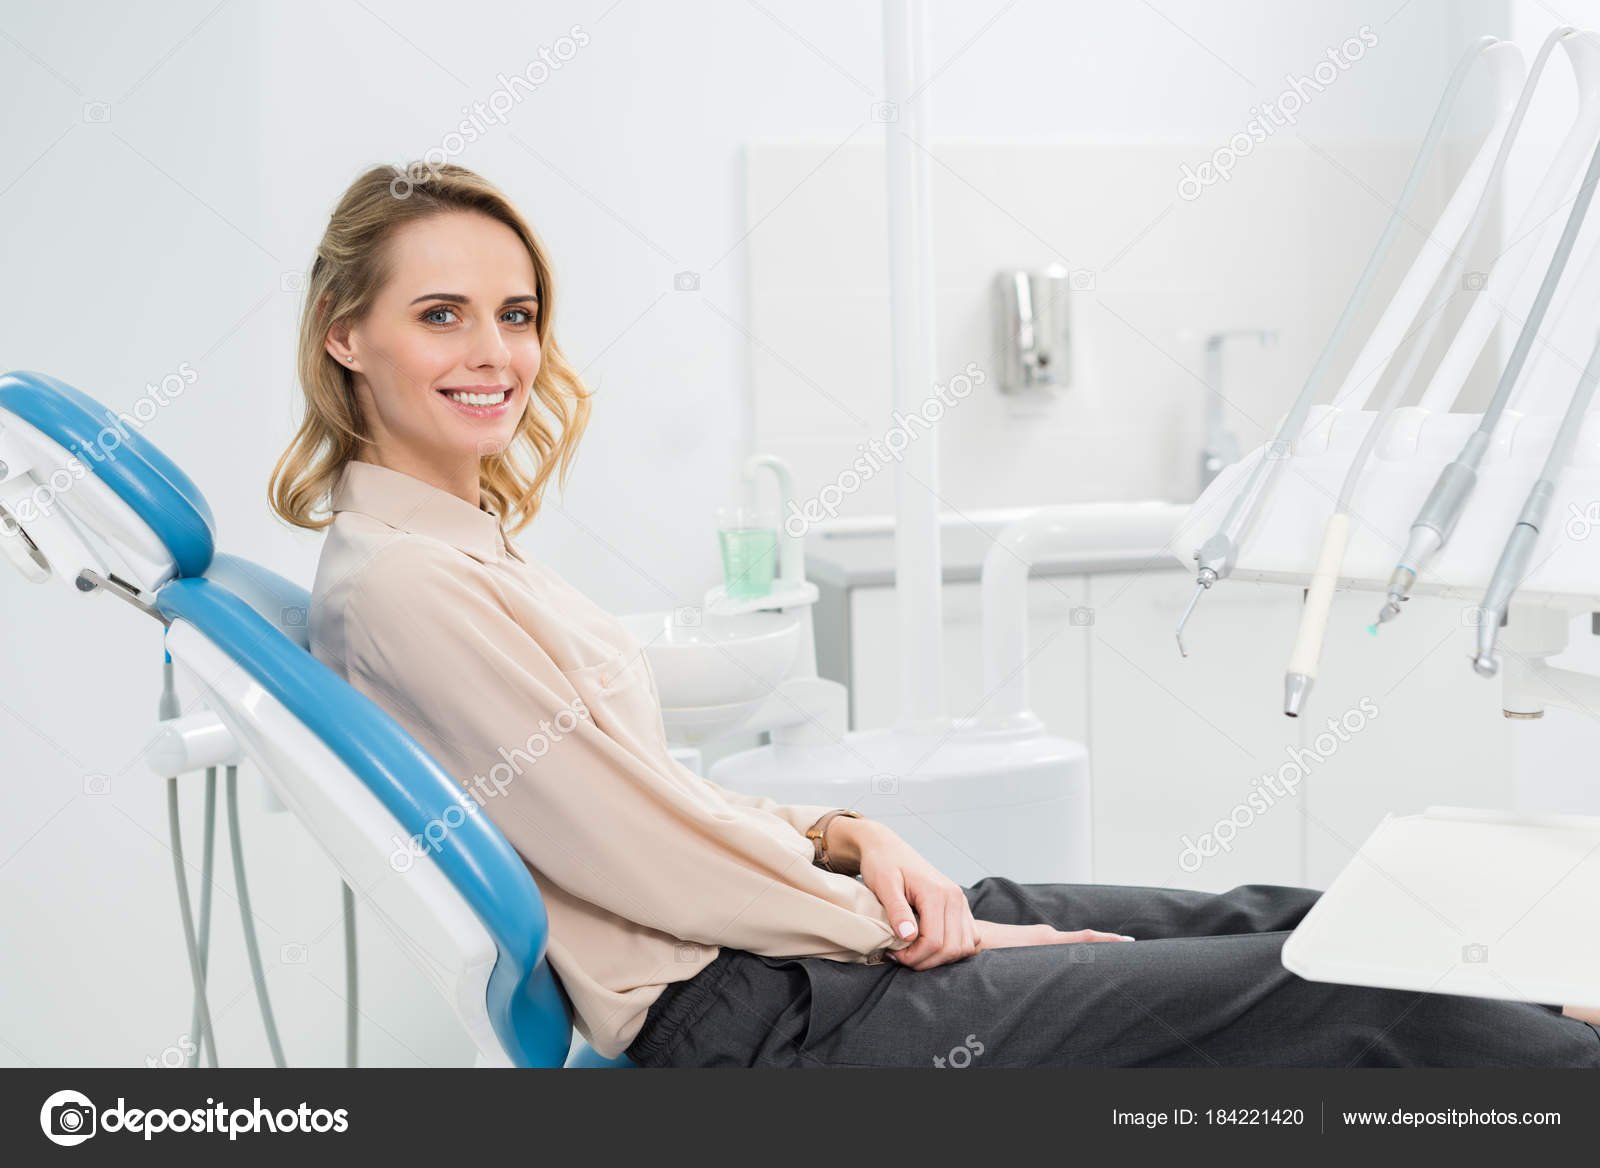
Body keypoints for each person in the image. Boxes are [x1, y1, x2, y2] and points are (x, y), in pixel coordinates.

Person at [269, 161, 1600, 1068]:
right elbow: (651, 864)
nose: (494, 354)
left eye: (515, 314)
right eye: (440, 316)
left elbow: (650, 803)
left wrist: (847, 837)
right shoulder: (405, 588)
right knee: (1364, 995)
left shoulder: (467, 548)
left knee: (1279, 916)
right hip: (753, 1017)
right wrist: (933, 936)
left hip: (785, 948)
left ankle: (1560, 1008)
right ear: (345, 333)